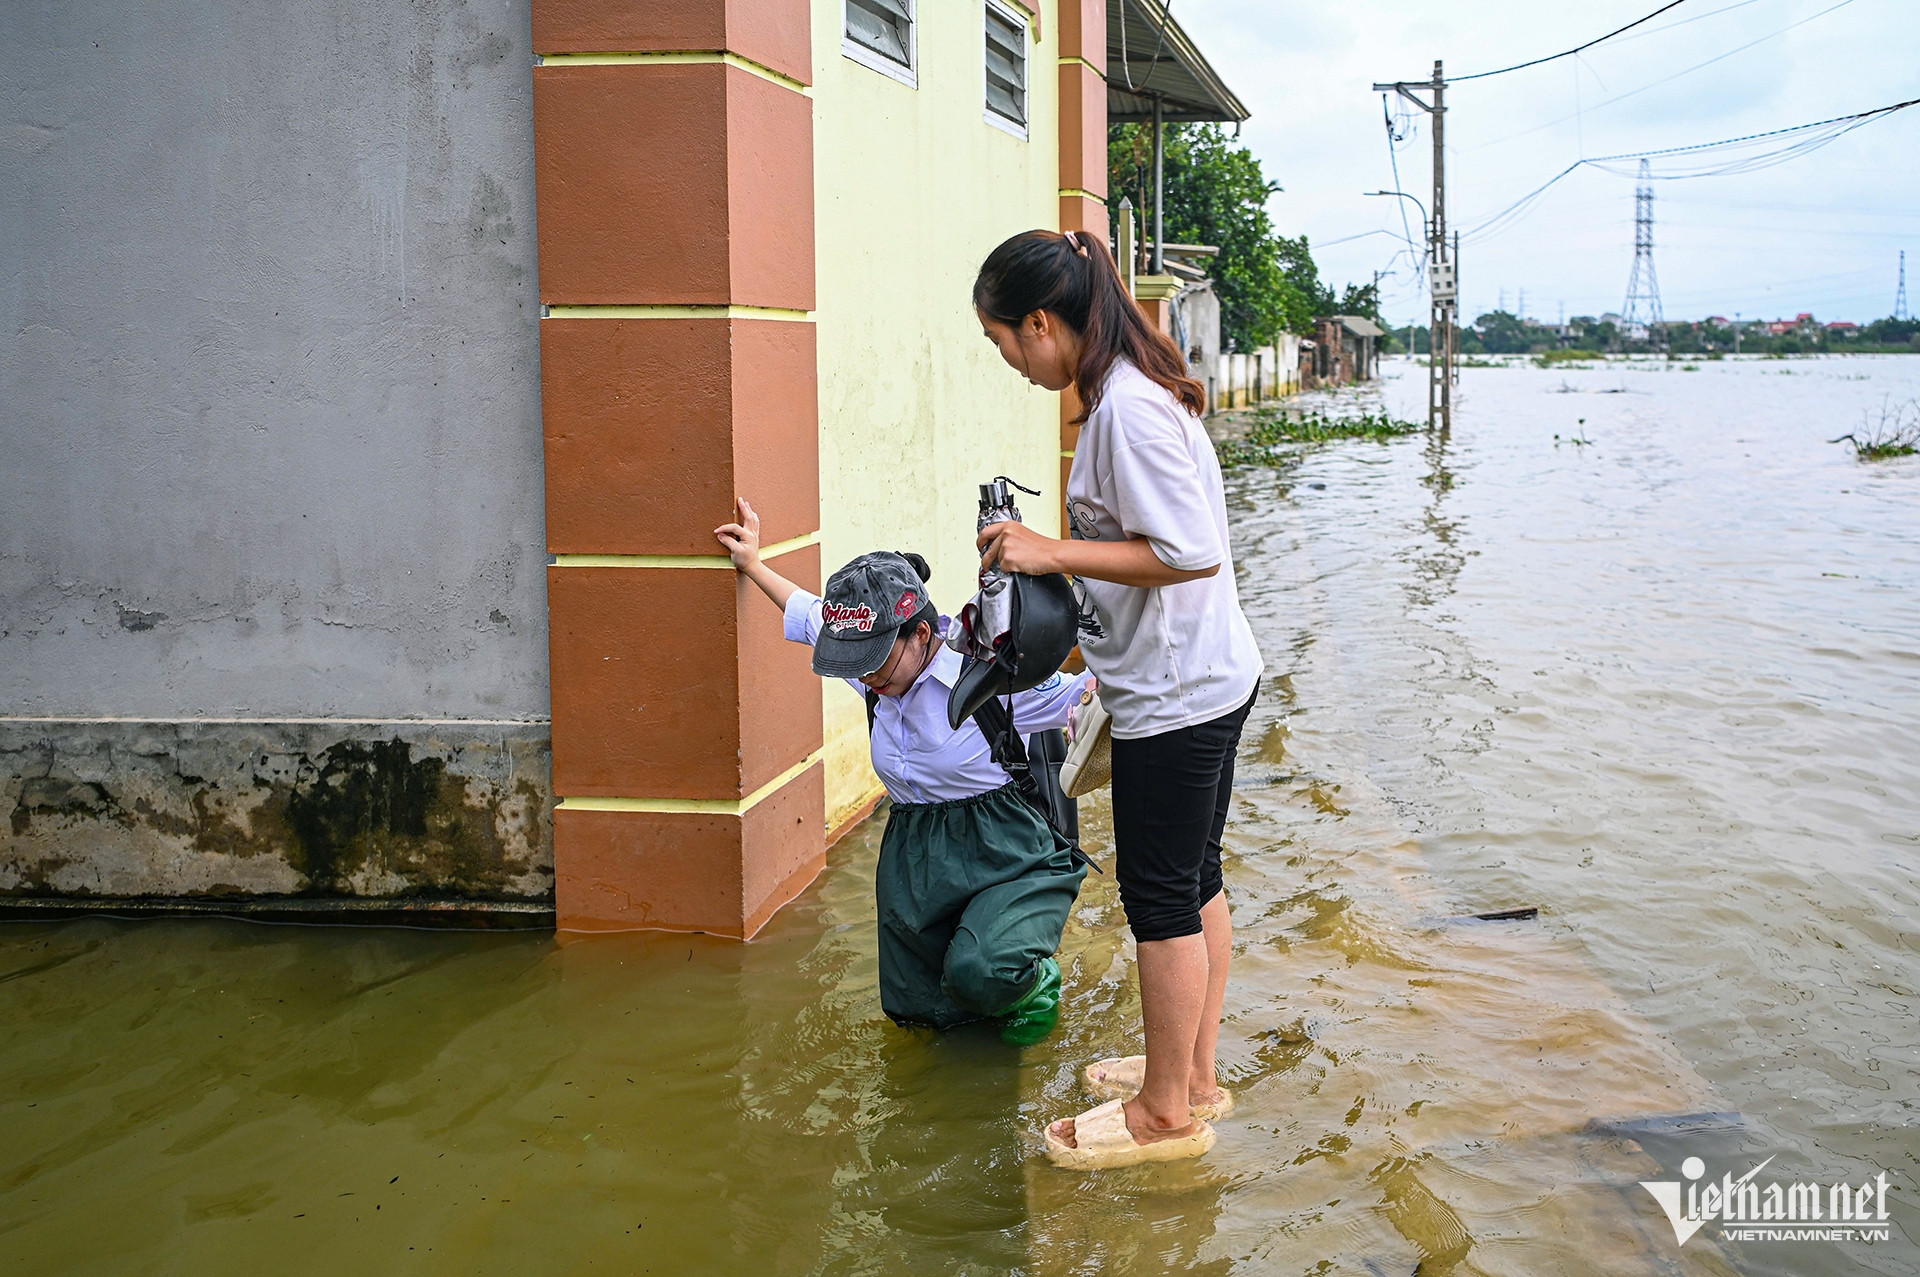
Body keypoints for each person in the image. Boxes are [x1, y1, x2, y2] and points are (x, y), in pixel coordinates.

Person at [972, 229, 1263, 1168]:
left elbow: (1189, 551)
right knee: (1196, 876)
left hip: (1180, 699)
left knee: (1161, 901)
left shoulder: (1128, 412)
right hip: (1196, 678)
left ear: (1044, 321)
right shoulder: (1120, 400)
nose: (1011, 362)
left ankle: (1165, 1114)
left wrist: (1047, 550)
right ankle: (1195, 1071)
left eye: (1006, 341)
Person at [715, 498, 1092, 1045]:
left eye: (875, 662)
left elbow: (1088, 697)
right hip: (915, 847)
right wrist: (753, 562)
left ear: (920, 634)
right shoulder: (867, 658)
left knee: (981, 970)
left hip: (1004, 847)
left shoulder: (988, 679)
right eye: (855, 663)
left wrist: (1100, 689)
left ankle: (1036, 983)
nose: (865, 678)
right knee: (918, 1008)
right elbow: (804, 611)